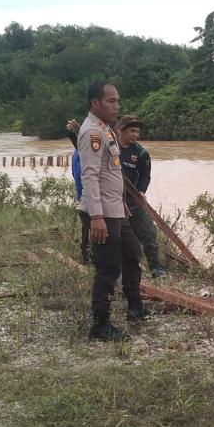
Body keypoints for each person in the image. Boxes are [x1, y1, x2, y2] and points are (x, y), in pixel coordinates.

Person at [76, 83, 146, 341]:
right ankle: (100, 325)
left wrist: (123, 204)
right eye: (110, 101)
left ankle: (135, 308)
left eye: (117, 100)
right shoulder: (91, 133)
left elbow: (111, 174)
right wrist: (96, 217)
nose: (117, 106)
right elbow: (90, 176)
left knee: (132, 254)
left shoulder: (106, 130)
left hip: (116, 209)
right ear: (95, 103)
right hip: (102, 212)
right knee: (107, 267)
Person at [118, 115, 167, 278]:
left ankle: (156, 269)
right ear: (121, 129)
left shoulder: (141, 153)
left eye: (137, 132)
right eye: (132, 131)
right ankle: (116, 269)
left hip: (134, 201)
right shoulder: (110, 148)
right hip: (113, 201)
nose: (135, 135)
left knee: (149, 234)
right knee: (115, 238)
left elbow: (146, 176)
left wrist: (141, 191)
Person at [68, 119, 89, 263]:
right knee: (89, 226)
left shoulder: (77, 151)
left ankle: (86, 255)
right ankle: (87, 256)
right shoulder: (81, 151)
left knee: (86, 226)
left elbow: (73, 173)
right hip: (86, 193)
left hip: (82, 193)